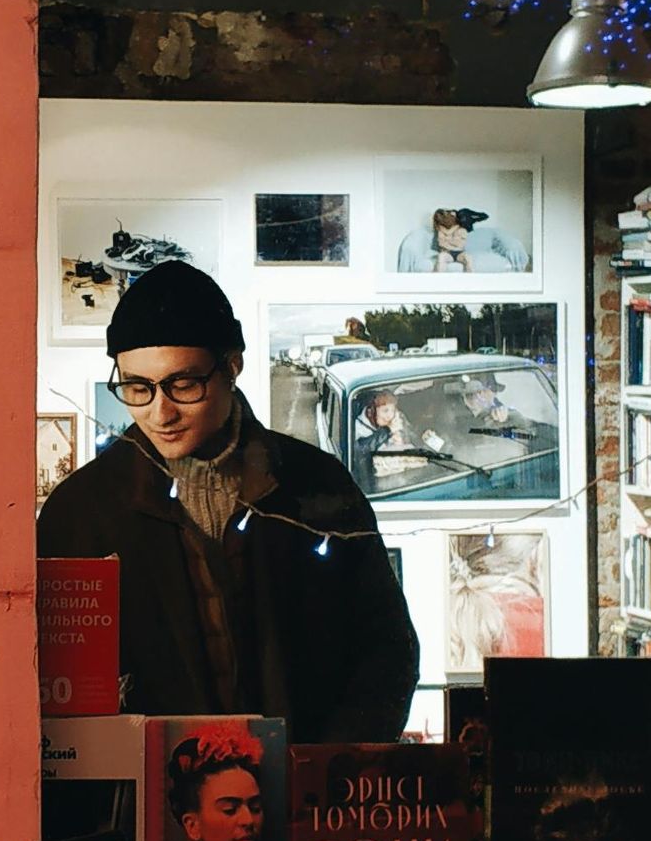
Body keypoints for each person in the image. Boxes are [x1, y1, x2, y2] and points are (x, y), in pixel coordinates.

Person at [36, 260, 419, 741]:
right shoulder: (82, 510)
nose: (161, 412)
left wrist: (332, 765)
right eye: (137, 388)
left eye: (183, 384)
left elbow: (387, 649)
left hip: (304, 796)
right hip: (151, 802)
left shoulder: (318, 485)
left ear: (232, 366)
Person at [395, 202, 530, 274]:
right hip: (446, 254)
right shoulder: (440, 231)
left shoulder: (462, 230)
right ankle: (436, 278)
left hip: (459, 253)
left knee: (468, 259)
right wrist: (450, 243)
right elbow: (443, 244)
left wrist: (451, 242)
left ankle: (469, 279)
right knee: (441, 258)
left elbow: (459, 244)